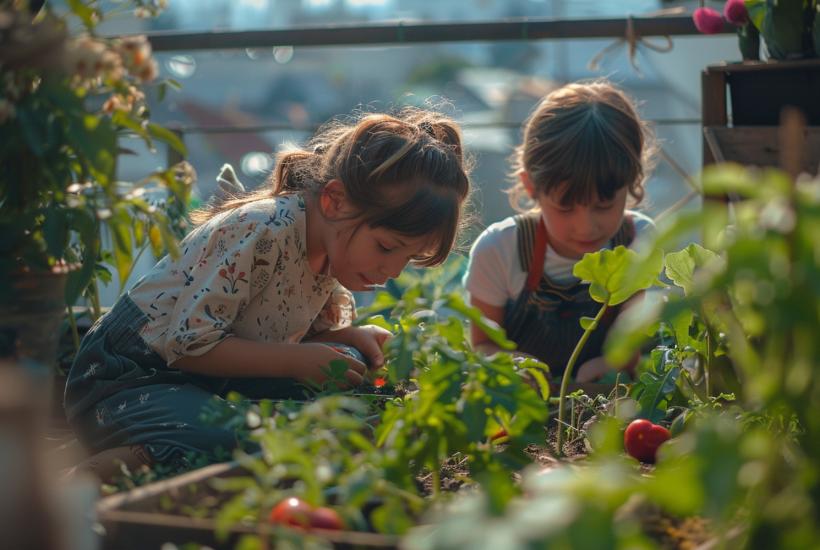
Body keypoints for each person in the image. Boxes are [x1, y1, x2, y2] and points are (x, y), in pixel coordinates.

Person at [64, 108, 472, 475]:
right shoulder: (262, 230)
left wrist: (346, 337)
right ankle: (81, 478)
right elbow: (189, 344)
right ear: (334, 201)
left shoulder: (330, 251)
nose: (392, 270)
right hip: (128, 380)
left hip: (205, 382)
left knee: (348, 377)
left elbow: (273, 333)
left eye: (409, 257)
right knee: (227, 437)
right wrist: (296, 360)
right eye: (386, 247)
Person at [463, 80, 655, 384]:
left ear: (631, 181)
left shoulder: (638, 240)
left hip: (607, 401)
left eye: (604, 206)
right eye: (565, 208)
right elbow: (483, 345)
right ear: (531, 187)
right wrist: (515, 365)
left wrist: (614, 361)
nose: (586, 226)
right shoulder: (499, 250)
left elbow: (631, 332)